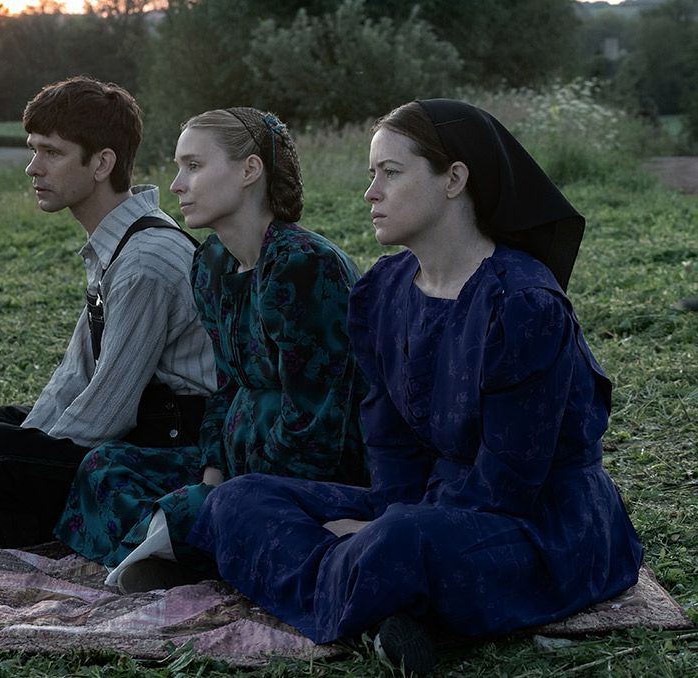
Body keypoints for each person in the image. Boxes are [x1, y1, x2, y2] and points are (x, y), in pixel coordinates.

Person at [188, 99, 644, 674]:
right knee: (238, 499)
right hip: (424, 502)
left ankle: (362, 588)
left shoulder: (522, 304)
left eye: (391, 173)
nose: (370, 193)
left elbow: (509, 480)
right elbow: (389, 441)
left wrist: (383, 527)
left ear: (454, 178)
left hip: (540, 524)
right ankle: (379, 604)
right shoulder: (383, 289)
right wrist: (385, 513)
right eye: (371, 175)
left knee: (404, 539)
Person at [54, 107, 368, 593]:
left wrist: (229, 495)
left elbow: (317, 422)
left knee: (210, 509)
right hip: (235, 464)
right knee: (104, 469)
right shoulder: (212, 263)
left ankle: (195, 544)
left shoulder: (304, 267)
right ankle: (194, 547)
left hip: (309, 473)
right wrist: (213, 474)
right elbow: (226, 389)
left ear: (249, 171)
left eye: (194, 166)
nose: (177, 185)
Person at [0, 76, 216, 548]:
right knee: (5, 427)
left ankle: (63, 515)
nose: (33, 168)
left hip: (171, 445)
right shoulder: (117, 243)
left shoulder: (146, 261)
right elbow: (77, 372)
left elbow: (109, 407)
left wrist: (33, 457)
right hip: (139, 421)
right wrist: (35, 439)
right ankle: (44, 514)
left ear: (101, 163)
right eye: (33, 149)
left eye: (52, 153)